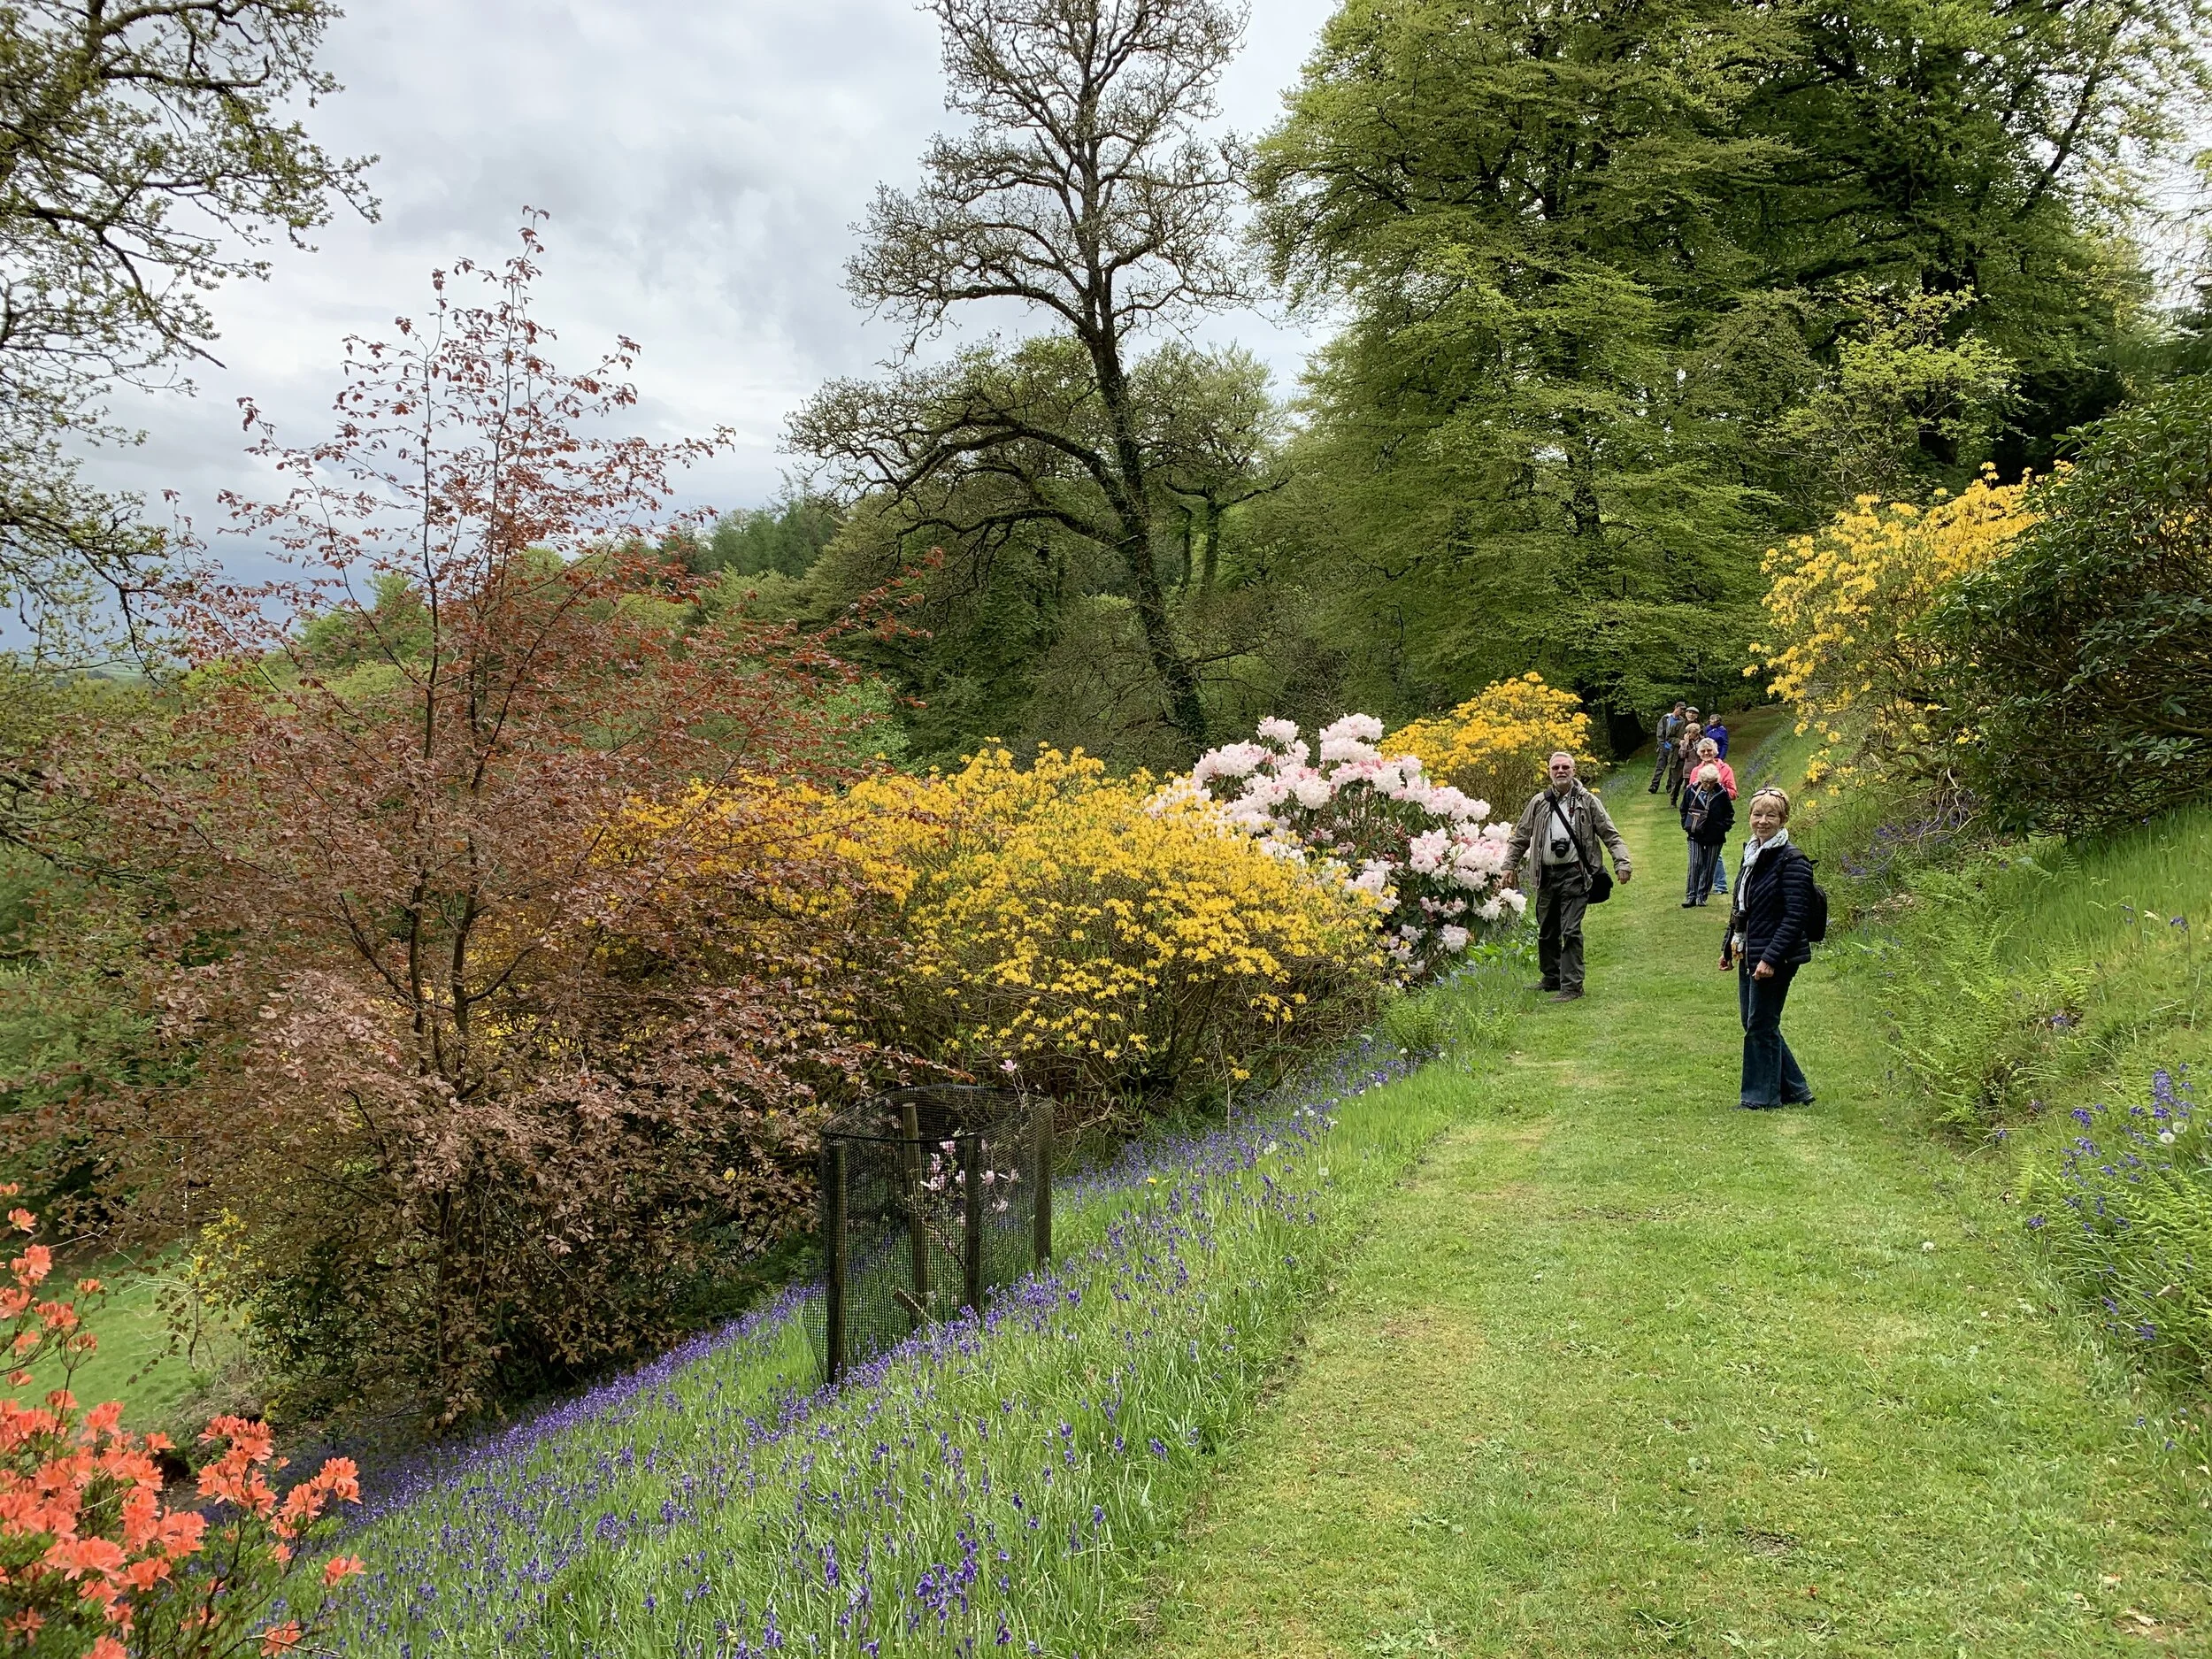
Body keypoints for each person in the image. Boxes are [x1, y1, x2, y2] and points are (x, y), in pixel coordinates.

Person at [1507, 751, 1633, 1002]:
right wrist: (1508, 866)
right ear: (1549, 771)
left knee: (1571, 930)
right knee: (1546, 930)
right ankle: (1551, 978)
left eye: (1566, 767)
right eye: (1556, 767)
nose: (1561, 771)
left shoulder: (1587, 802)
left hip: (1576, 875)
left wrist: (1623, 862)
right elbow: (1520, 836)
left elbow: (1610, 834)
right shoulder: (1539, 802)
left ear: (1574, 771)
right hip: (1545, 876)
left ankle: (1573, 986)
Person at [1719, 787, 1816, 1110]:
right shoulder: (1751, 855)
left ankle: (1759, 1099)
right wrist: (1727, 946)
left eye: (1770, 815)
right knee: (1756, 1022)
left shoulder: (1793, 861)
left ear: (1783, 819)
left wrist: (1771, 958)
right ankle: (1796, 1089)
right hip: (1748, 949)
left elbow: (1795, 917)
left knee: (1760, 1024)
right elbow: (1741, 907)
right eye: (1757, 814)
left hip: (1776, 954)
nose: (1762, 821)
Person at [1679, 762, 1734, 908]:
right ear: (1700, 780)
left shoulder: (1721, 793)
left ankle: (1701, 897)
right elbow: (1683, 809)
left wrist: (1722, 827)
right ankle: (1690, 896)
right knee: (1695, 863)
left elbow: (1730, 814)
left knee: (1709, 866)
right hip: (1695, 834)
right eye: (1705, 782)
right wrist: (1686, 825)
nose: (1708, 785)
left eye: (1711, 782)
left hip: (1715, 836)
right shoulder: (1691, 791)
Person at [1647, 702, 1687, 794]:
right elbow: (1660, 733)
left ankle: (1669, 786)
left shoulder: (1682, 721)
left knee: (1672, 768)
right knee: (1660, 767)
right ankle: (1654, 785)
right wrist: (1662, 746)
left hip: (1675, 748)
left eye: (1684, 710)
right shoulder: (1666, 718)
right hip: (1665, 747)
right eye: (1681, 709)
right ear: (1676, 708)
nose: (1682, 711)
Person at [1669, 721, 1703, 806]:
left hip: (1700, 767)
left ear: (1696, 733)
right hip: (1688, 768)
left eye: (1689, 732)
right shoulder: (1685, 742)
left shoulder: (1703, 741)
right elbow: (1682, 755)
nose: (1687, 734)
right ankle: (1677, 801)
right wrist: (1686, 744)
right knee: (1687, 787)